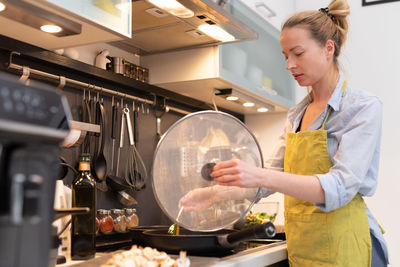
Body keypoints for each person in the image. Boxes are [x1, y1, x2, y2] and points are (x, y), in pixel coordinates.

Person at [180, 0, 388, 266]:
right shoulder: (296, 115)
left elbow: (339, 188)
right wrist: (213, 195)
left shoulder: (362, 108)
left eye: (298, 53)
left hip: (346, 246)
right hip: (305, 248)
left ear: (328, 48)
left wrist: (257, 173)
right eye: (285, 56)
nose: (289, 65)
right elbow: (269, 180)